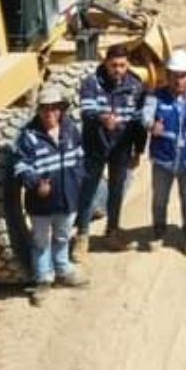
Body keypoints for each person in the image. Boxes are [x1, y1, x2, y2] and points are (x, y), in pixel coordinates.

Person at [13, 84, 87, 292]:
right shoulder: (28, 136)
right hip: (41, 203)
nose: (50, 113)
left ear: (61, 109)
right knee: (41, 241)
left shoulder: (71, 130)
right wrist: (36, 184)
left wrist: (78, 179)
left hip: (68, 199)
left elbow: (81, 156)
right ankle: (43, 278)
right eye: (45, 109)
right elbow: (20, 166)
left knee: (63, 237)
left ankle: (63, 270)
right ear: (39, 110)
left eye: (54, 108)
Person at [77, 45, 148, 250]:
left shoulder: (135, 86)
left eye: (122, 65)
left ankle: (112, 232)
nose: (118, 70)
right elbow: (86, 112)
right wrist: (102, 118)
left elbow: (138, 123)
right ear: (106, 63)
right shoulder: (91, 83)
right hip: (95, 146)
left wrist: (139, 150)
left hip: (121, 149)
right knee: (88, 191)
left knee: (116, 191)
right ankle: (82, 238)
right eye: (114, 65)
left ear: (127, 65)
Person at [143, 48, 186, 254]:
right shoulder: (156, 96)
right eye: (174, 76)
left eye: (183, 76)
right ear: (167, 75)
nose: (178, 80)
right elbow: (145, 116)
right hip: (163, 160)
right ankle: (159, 232)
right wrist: (151, 125)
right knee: (159, 199)